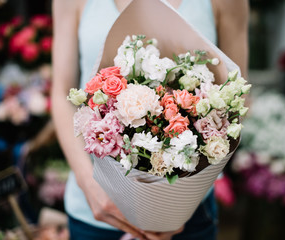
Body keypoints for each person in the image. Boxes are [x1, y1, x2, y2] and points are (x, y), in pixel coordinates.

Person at [51, 0, 248, 239]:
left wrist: (174, 206)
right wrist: (89, 184)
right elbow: (62, 93)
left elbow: (237, 94)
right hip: (95, 211)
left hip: (188, 216)